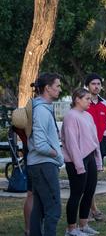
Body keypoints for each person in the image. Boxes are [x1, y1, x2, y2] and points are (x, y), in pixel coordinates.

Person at [61, 88, 103, 236]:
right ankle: (71, 229)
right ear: (77, 99)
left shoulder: (87, 115)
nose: (90, 101)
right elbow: (72, 144)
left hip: (89, 158)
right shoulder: (70, 117)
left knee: (89, 192)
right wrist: (79, 165)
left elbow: (94, 140)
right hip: (76, 160)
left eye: (90, 99)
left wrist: (98, 161)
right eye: (87, 98)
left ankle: (84, 225)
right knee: (76, 194)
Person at [27, 73, 64, 236]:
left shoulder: (40, 108)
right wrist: (56, 154)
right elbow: (41, 145)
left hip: (40, 164)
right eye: (57, 86)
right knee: (54, 209)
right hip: (44, 164)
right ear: (47, 88)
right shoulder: (41, 111)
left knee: (39, 208)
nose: (60, 89)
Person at [84, 73, 106, 222]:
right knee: (87, 180)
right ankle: (91, 211)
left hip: (98, 147)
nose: (96, 86)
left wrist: (105, 144)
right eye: (93, 83)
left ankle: (91, 211)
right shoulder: (83, 102)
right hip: (84, 147)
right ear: (87, 85)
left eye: (98, 84)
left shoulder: (105, 104)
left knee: (93, 180)